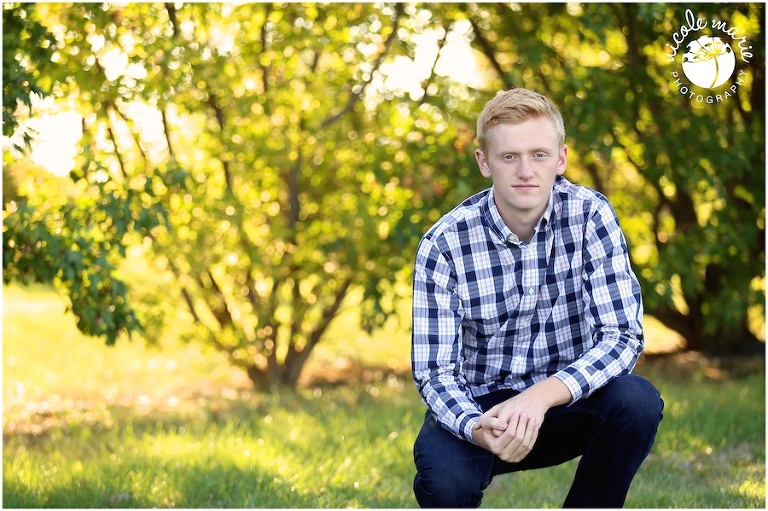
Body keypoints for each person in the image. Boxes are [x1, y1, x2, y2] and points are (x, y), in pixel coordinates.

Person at [410, 88, 664, 508]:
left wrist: (541, 396)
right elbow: (435, 372)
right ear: (484, 162)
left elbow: (621, 336)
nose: (525, 171)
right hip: (483, 409)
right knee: (445, 482)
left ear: (561, 159)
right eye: (509, 156)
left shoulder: (590, 216)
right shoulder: (444, 244)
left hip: (567, 400)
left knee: (636, 401)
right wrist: (475, 427)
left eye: (539, 155)